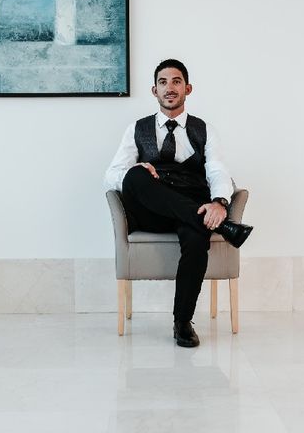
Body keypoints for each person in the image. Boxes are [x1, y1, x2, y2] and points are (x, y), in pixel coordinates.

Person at [104, 59, 253, 348]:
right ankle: (224, 227)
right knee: (133, 175)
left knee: (197, 238)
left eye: (175, 82)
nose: (169, 88)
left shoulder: (204, 130)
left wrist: (220, 202)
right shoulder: (137, 129)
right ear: (154, 90)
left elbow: (218, 171)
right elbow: (110, 175)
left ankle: (182, 322)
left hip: (189, 206)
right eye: (163, 82)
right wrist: (139, 170)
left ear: (188, 88)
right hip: (151, 210)